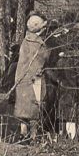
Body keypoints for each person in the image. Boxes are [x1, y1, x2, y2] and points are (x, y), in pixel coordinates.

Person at [12, 14, 50, 143]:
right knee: (35, 107)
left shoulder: (26, 40)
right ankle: (33, 136)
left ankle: (23, 134)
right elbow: (43, 59)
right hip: (34, 79)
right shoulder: (37, 43)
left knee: (24, 107)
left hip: (23, 78)